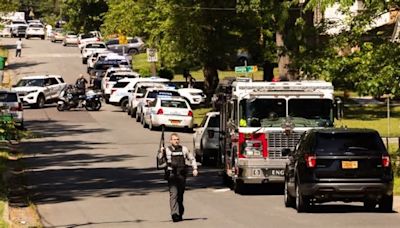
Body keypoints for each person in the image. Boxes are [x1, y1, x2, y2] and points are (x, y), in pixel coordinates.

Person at [158, 133, 198, 222]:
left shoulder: (184, 149)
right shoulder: (167, 150)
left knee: (180, 196)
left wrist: (195, 168)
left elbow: (192, 159)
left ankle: (180, 213)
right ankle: (174, 214)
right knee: (173, 195)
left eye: (177, 139)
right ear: (170, 140)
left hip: (181, 176)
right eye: (174, 139)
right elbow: (160, 163)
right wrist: (161, 153)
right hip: (172, 176)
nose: (176, 141)